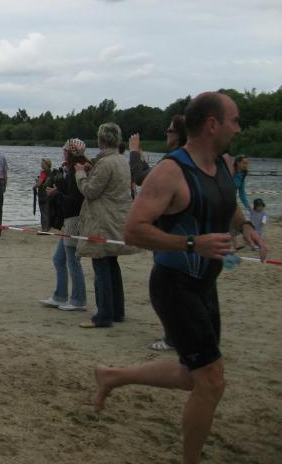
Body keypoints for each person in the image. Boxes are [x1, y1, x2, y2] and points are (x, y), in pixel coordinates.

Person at [96, 92, 266, 464]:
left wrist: (246, 227)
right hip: (174, 284)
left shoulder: (222, 163)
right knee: (211, 380)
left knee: (194, 374)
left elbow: (227, 202)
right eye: (235, 121)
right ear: (212, 124)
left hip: (205, 284)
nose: (239, 128)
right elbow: (133, 231)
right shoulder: (171, 172)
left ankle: (112, 376)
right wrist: (192, 243)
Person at [130, 115, 187, 350]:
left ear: (180, 135)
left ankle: (172, 338)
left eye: (170, 130)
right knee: (184, 289)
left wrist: (134, 153)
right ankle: (183, 335)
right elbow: (151, 176)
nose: (166, 133)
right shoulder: (191, 159)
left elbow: (141, 178)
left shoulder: (175, 159)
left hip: (170, 233)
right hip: (183, 233)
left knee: (165, 290)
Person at [75, 122, 139, 329]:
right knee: (112, 264)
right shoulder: (121, 160)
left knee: (101, 264)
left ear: (101, 140)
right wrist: (90, 168)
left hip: (103, 220)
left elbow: (91, 191)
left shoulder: (106, 162)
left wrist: (80, 174)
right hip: (117, 218)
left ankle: (103, 315)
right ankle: (117, 311)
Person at [40, 140, 88, 311]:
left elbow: (75, 202)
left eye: (65, 151)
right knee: (59, 259)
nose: (63, 154)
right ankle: (60, 296)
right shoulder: (72, 171)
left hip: (74, 221)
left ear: (70, 153)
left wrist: (56, 194)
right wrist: (59, 186)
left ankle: (78, 300)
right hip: (69, 221)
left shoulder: (77, 172)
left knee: (73, 261)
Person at [34, 157, 52, 231]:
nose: (41, 164)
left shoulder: (43, 172)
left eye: (43, 163)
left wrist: (34, 186)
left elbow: (39, 183)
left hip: (42, 194)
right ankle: (47, 227)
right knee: (47, 211)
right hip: (49, 193)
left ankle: (44, 229)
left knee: (43, 212)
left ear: (46, 164)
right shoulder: (50, 172)